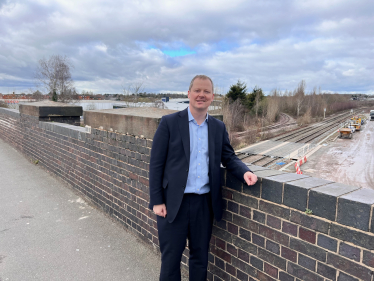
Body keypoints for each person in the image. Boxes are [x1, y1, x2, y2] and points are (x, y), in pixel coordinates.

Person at [149, 75, 258, 281]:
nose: (201, 95)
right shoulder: (169, 123)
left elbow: (228, 156)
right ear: (189, 94)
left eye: (206, 91)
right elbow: (156, 164)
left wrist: (245, 172)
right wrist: (157, 201)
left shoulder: (218, 127)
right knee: (171, 260)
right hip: (173, 205)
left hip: (204, 205)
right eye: (197, 90)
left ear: (212, 96)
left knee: (200, 259)